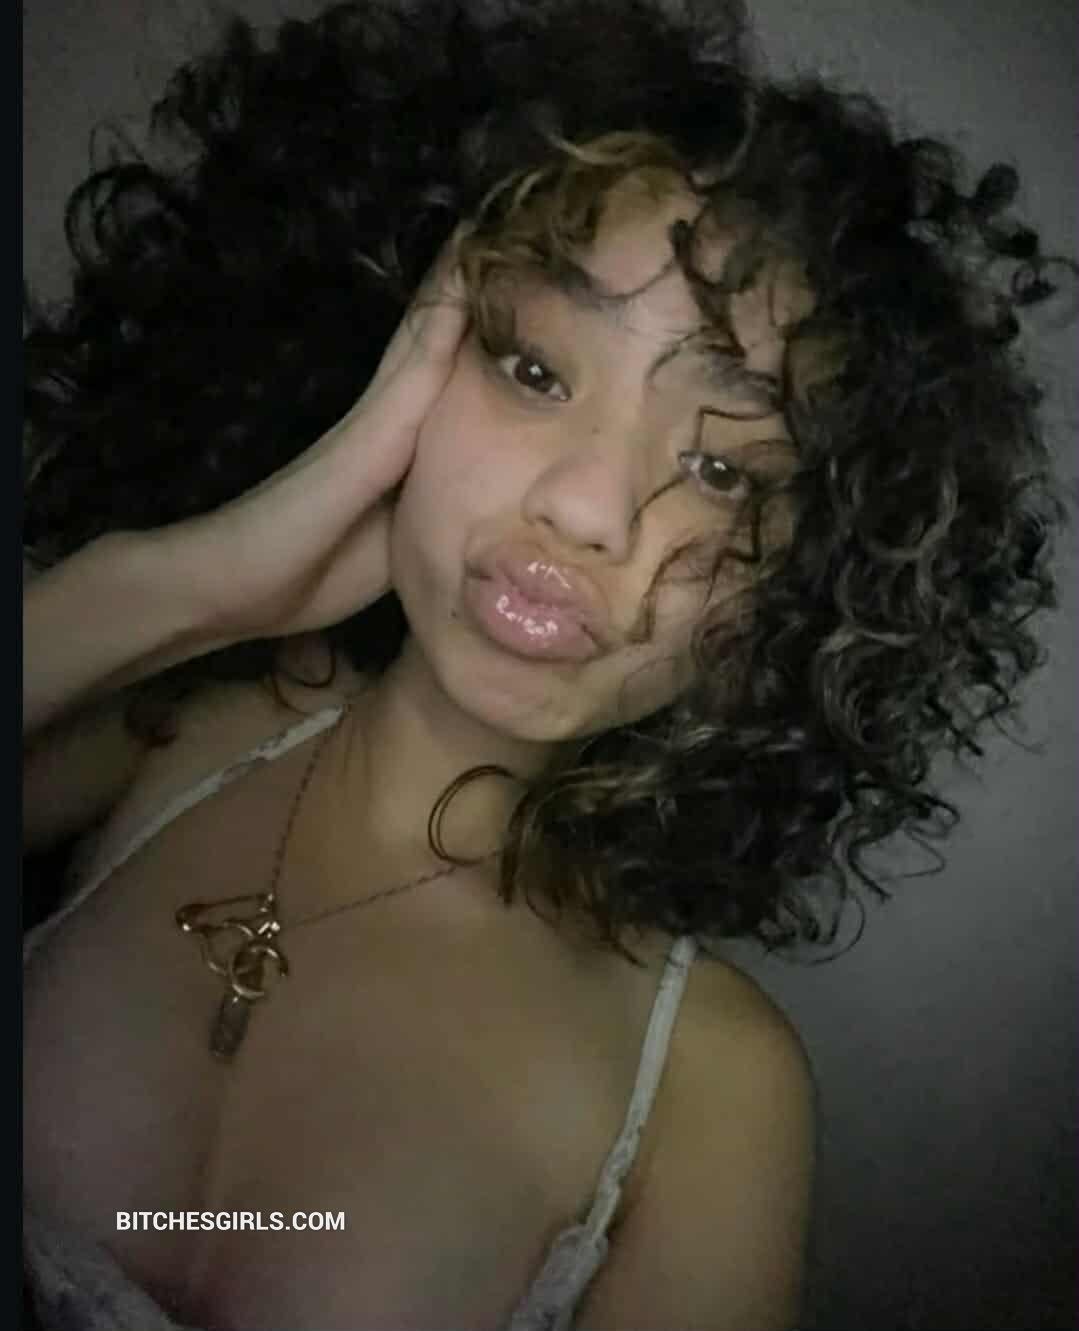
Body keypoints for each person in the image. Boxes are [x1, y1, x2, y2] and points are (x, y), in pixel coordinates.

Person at [21, 1, 1066, 1328]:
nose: (584, 509)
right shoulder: (186, 723)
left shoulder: (713, 1093)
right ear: (403, 349)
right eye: (530, 367)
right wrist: (195, 582)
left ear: (805, 588)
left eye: (719, 469)